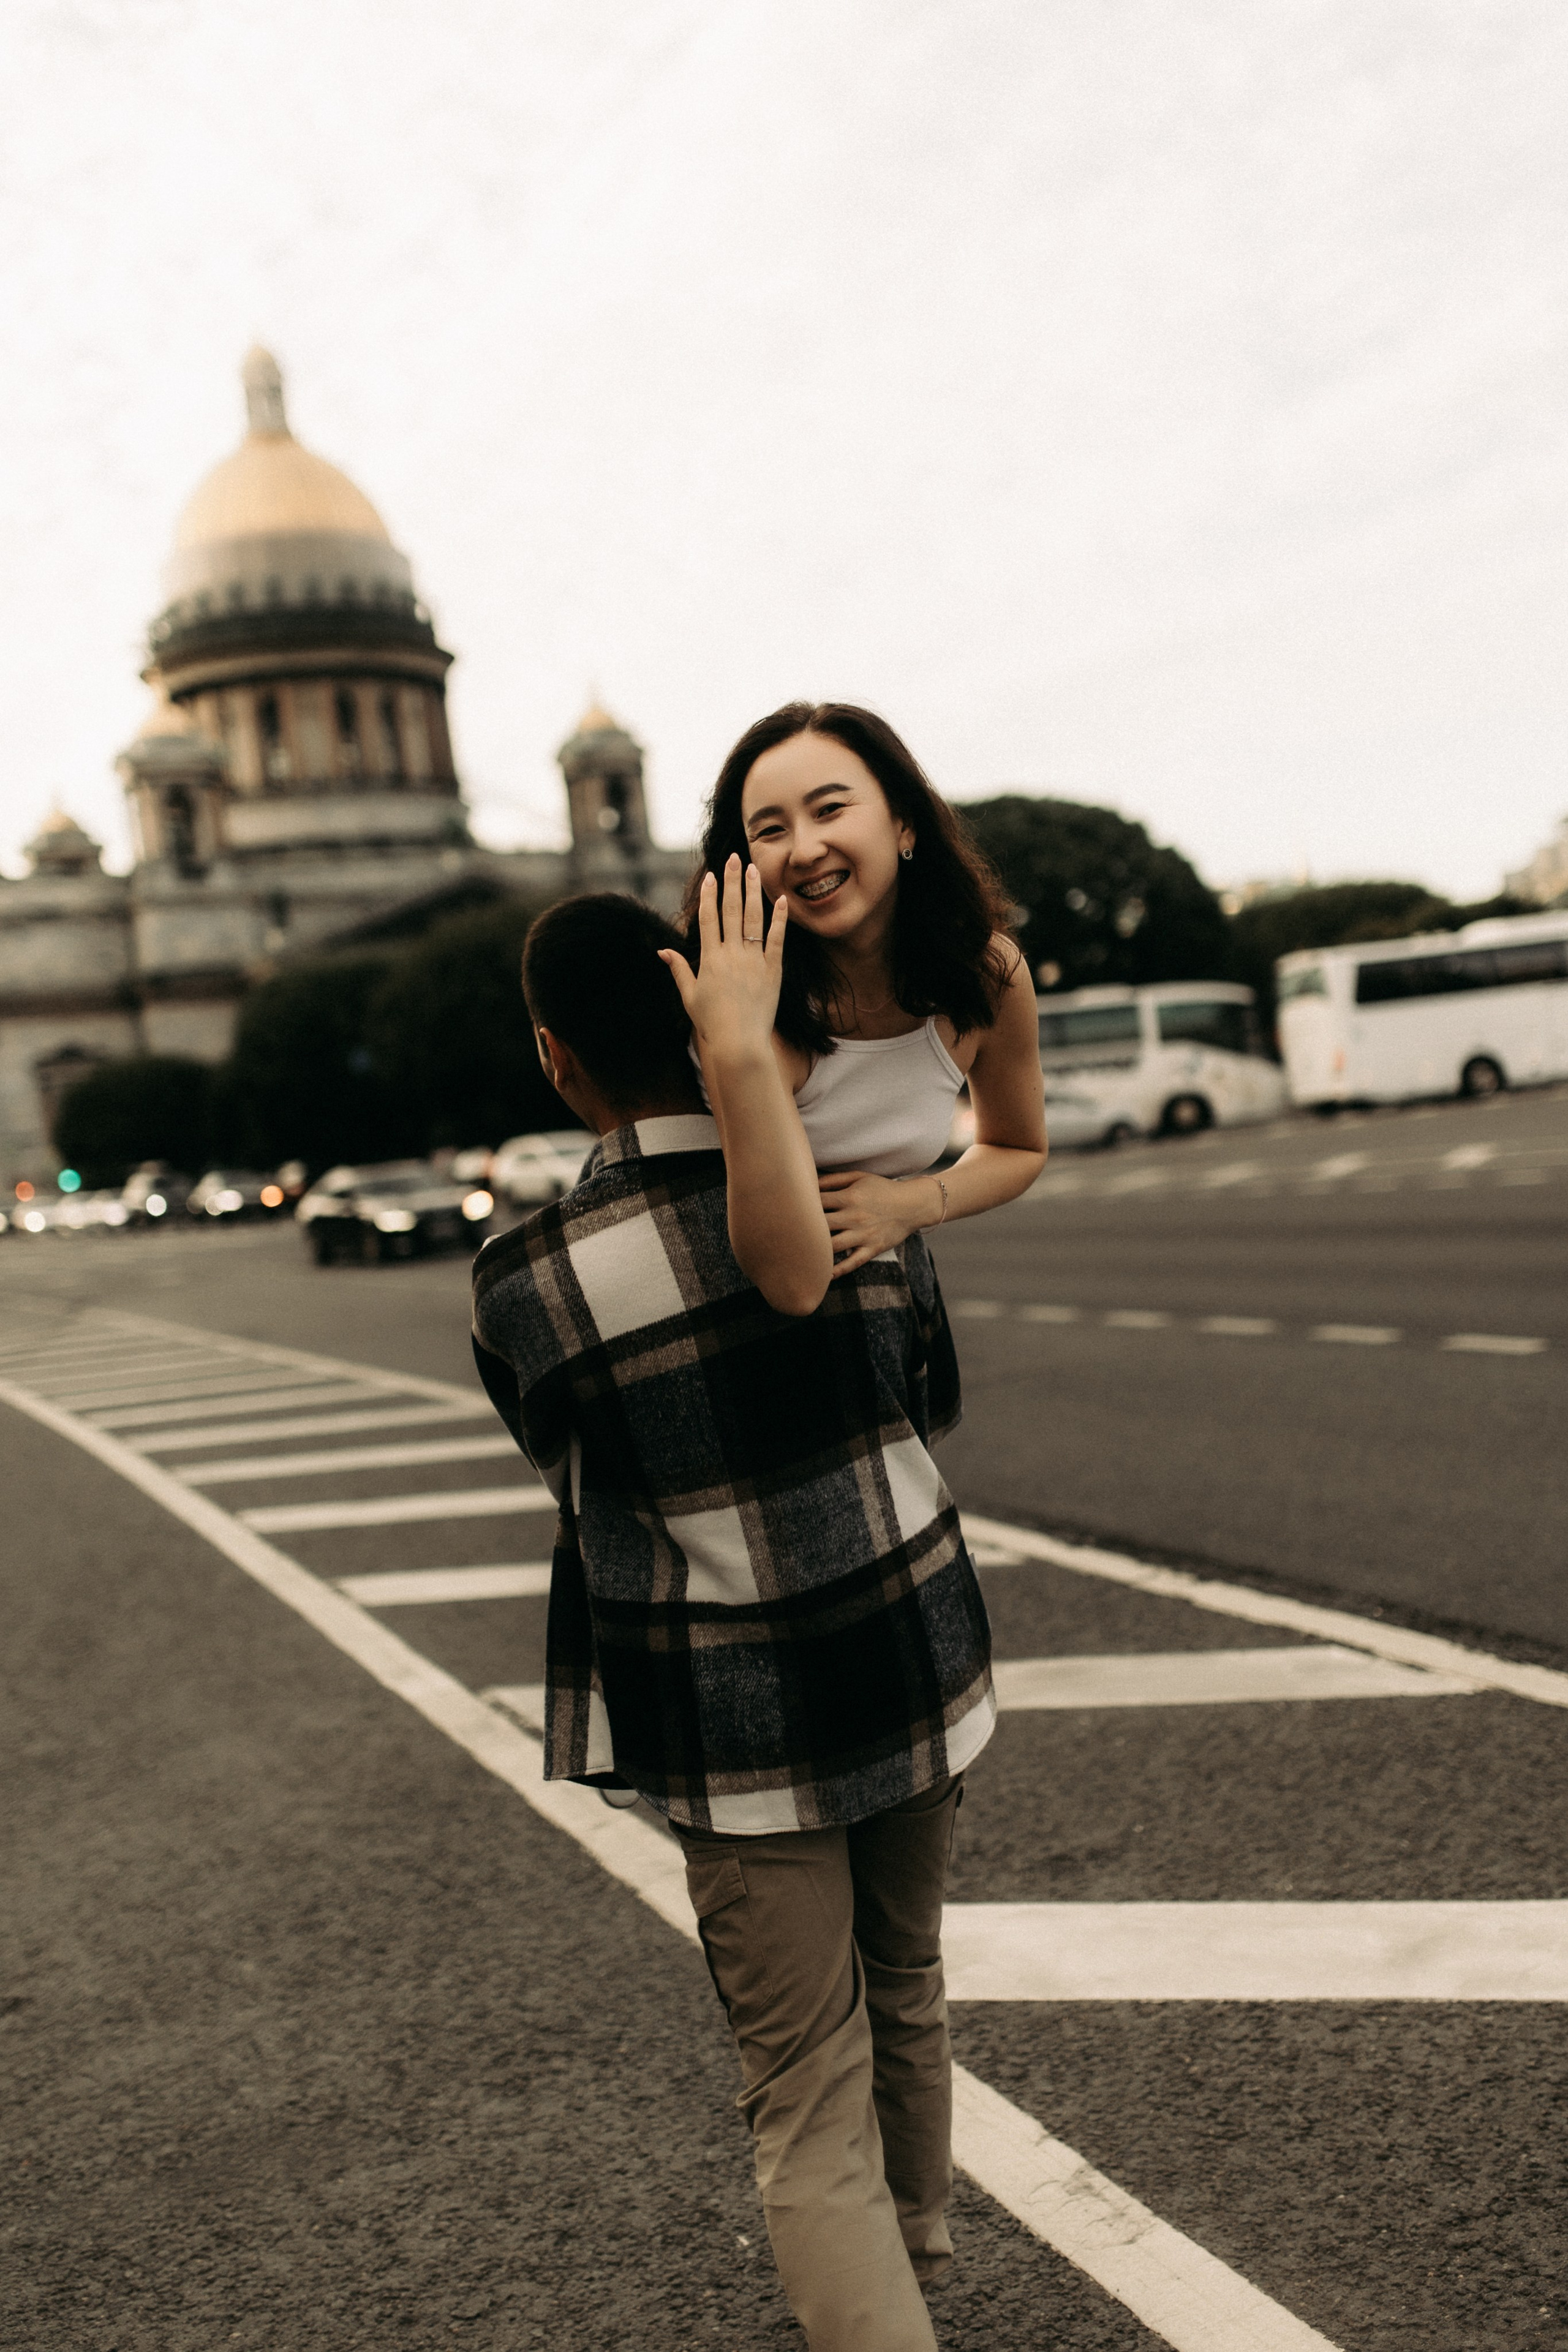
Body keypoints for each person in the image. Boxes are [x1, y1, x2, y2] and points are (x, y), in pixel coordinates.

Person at [471, 890, 995, 2352]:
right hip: (908, 1649)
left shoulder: (526, 1281)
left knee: (799, 2086)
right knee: (905, 1978)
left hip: (727, 1715)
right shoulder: (858, 1187)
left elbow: (558, 1453)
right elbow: (926, 1388)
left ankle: (878, 2307)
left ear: (556, 1058)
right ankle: (914, 2263)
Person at [666, 701, 1047, 1285]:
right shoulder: (735, 996)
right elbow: (791, 1281)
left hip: (900, 1313)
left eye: (830, 809)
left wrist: (914, 1203)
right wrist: (738, 1046)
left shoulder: (989, 974)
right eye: (770, 830)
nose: (805, 849)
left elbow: (1018, 1147)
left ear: (904, 823)